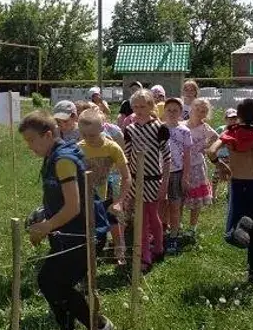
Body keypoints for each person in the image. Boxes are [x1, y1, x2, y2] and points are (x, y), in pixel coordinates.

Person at [19, 111, 115, 330]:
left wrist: (46, 227)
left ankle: (100, 326)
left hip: (85, 234)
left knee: (52, 282)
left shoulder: (63, 160)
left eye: (31, 140)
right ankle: (67, 324)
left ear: (48, 135)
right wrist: (45, 215)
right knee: (51, 282)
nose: (29, 146)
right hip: (69, 233)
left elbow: (73, 206)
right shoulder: (53, 155)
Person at [207, 98, 253, 283]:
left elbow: (211, 152)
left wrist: (222, 166)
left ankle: (237, 229)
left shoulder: (229, 134)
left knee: (231, 231)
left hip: (238, 185)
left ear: (239, 116)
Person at [123, 89, 172, 272]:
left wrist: (164, 184)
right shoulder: (130, 129)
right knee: (141, 219)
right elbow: (127, 157)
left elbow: (167, 158)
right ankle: (145, 255)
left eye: (142, 106)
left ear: (151, 106)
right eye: (135, 107)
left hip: (153, 180)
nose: (139, 110)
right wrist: (126, 183)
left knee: (153, 215)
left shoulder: (160, 128)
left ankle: (158, 246)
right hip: (137, 180)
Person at [78, 108, 132, 265]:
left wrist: (120, 201)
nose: (88, 139)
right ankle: (87, 256)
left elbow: (126, 176)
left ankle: (119, 249)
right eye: (84, 135)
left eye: (92, 135)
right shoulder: (78, 148)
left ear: (102, 128)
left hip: (107, 189)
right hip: (86, 194)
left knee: (113, 219)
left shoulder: (112, 148)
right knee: (87, 225)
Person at [184, 99, 219, 240]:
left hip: (196, 166)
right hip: (181, 165)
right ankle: (174, 224)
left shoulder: (205, 128)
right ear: (191, 109)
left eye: (203, 111)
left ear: (206, 114)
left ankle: (192, 227)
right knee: (178, 196)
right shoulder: (182, 125)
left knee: (196, 198)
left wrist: (204, 146)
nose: (199, 113)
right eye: (197, 109)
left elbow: (216, 137)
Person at [162, 97, 192, 255]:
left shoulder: (184, 131)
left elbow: (187, 156)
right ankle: (161, 232)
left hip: (176, 173)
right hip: (159, 173)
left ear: (181, 112)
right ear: (164, 111)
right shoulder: (158, 128)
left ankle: (173, 236)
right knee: (161, 204)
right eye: (169, 110)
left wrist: (185, 177)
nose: (172, 113)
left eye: (175, 110)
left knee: (175, 205)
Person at [211, 108, 239, 202]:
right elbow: (214, 139)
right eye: (230, 119)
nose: (233, 121)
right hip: (221, 158)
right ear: (226, 119)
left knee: (231, 176)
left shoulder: (238, 131)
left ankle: (230, 194)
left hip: (232, 157)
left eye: (235, 119)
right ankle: (213, 195)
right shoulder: (221, 129)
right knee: (216, 176)